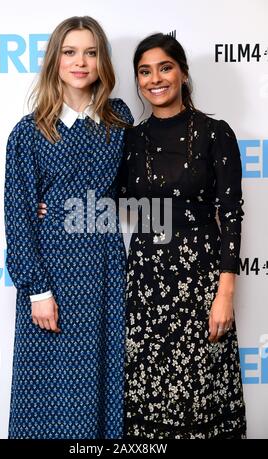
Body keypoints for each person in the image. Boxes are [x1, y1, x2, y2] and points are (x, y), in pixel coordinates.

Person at [4, 16, 133, 439]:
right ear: (54, 60)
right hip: (52, 275)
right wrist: (37, 290)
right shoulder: (28, 133)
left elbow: (135, 186)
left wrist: (66, 204)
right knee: (47, 392)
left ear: (102, 62)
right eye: (71, 52)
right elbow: (17, 219)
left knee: (101, 384)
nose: (81, 62)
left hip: (103, 271)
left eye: (91, 52)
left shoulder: (118, 119)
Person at [120, 33, 246, 439]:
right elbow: (104, 196)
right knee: (149, 403)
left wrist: (224, 292)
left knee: (201, 399)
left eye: (165, 67)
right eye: (144, 71)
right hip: (146, 284)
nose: (155, 78)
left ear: (183, 73)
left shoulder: (215, 133)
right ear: (137, 80)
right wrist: (56, 205)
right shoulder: (130, 139)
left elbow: (231, 214)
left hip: (200, 284)